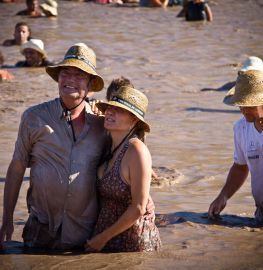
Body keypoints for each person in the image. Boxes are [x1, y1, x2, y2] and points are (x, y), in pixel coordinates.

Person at [0, 43, 154, 250]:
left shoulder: (103, 122)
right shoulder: (33, 117)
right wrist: (7, 218)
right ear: (58, 78)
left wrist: (145, 198)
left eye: (79, 75)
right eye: (65, 73)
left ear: (91, 85)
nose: (70, 79)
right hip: (41, 227)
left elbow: (124, 159)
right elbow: (17, 168)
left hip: (85, 232)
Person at [85, 86, 161, 252]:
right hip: (106, 238)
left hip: (131, 245)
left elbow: (139, 208)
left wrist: (102, 238)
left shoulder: (136, 151)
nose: (110, 112)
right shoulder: (107, 144)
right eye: (109, 108)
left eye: (118, 110)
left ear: (134, 120)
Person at [208, 68, 263, 224]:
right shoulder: (241, 128)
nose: (243, 110)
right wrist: (223, 196)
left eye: (249, 105)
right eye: (240, 105)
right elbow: (240, 167)